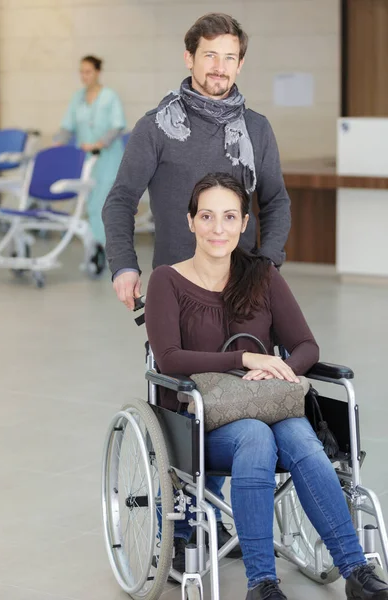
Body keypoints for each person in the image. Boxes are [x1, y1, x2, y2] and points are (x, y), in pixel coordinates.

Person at [102, 13, 291, 567]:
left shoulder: (255, 128)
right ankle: (184, 519)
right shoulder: (157, 126)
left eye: (229, 57)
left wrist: (269, 267)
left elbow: (275, 202)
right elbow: (120, 201)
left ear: (239, 62)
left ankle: (238, 518)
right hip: (177, 287)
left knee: (250, 392)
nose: (219, 67)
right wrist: (123, 267)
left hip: (248, 291)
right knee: (183, 404)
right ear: (189, 59)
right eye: (209, 55)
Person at [144, 172, 388, 600]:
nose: (218, 228)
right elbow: (169, 358)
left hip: (268, 404)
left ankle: (355, 569)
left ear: (243, 224)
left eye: (229, 217)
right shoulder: (166, 280)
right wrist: (245, 358)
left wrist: (282, 368)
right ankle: (262, 582)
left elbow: (306, 345)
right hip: (202, 420)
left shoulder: (262, 276)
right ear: (190, 221)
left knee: (299, 435)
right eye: (207, 216)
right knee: (255, 437)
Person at [54, 55, 126, 263]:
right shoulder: (78, 97)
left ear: (97, 72)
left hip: (108, 160)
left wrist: (98, 144)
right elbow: (67, 127)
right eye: (81, 72)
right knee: (91, 205)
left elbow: (117, 126)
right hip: (87, 162)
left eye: (88, 71)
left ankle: (104, 249)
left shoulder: (109, 96)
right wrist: (57, 143)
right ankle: (99, 248)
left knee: (100, 205)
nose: (84, 76)